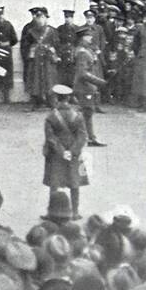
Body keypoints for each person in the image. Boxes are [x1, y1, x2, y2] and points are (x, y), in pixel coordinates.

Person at [44, 84, 88, 219]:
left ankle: (53, 213)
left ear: (56, 98)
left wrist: (62, 151)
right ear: (69, 98)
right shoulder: (78, 115)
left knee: (54, 182)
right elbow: (83, 136)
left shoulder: (51, 116)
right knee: (74, 181)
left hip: (56, 153)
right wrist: (73, 151)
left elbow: (50, 138)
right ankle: (75, 212)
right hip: (74, 152)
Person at [71, 26, 107, 147]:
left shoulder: (85, 51)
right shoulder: (82, 53)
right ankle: (86, 138)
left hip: (86, 87)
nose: (91, 38)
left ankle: (89, 138)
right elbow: (83, 74)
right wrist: (100, 82)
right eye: (88, 36)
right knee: (86, 114)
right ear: (82, 38)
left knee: (87, 113)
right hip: (84, 87)